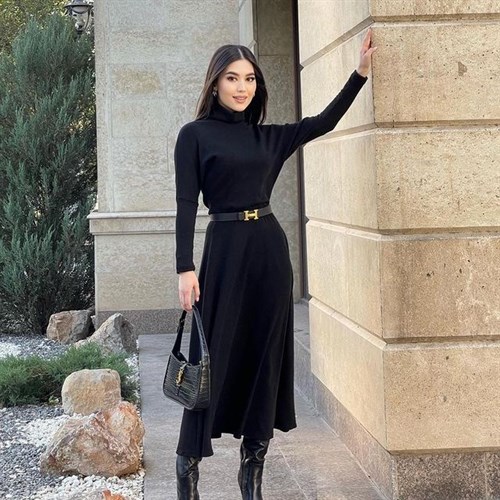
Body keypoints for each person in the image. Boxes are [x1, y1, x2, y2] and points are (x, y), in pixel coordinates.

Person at [174, 28, 377, 500]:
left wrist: (360, 73)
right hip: (223, 254)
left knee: (265, 358)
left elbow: (323, 121)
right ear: (215, 84)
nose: (241, 87)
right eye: (232, 78)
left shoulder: (269, 137)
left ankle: (252, 474)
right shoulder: (194, 136)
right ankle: (187, 470)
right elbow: (185, 205)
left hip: (268, 254)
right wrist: (185, 268)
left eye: (249, 78)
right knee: (210, 358)